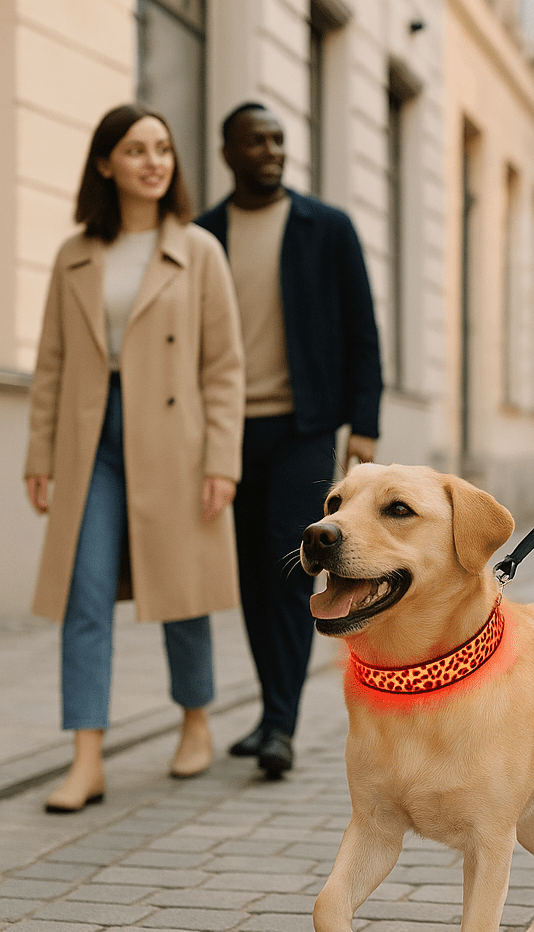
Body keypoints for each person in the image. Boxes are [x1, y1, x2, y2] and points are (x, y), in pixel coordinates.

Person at [24, 103, 245, 812]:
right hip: (92, 436)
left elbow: (224, 366)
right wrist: (40, 452)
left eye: (162, 149)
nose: (153, 161)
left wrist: (223, 459)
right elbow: (52, 360)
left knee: (180, 592)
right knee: (84, 596)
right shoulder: (74, 253)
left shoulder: (199, 249)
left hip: (175, 436)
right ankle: (86, 758)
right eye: (135, 150)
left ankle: (196, 720)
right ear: (104, 164)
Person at [196, 102, 383, 778]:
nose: (272, 150)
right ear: (228, 151)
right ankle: (271, 711)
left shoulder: (326, 228)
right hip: (227, 429)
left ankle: (281, 723)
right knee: (248, 574)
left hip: (305, 426)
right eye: (256, 141)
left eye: (278, 140)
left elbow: (362, 330)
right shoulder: (203, 235)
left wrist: (364, 424)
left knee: (289, 567)